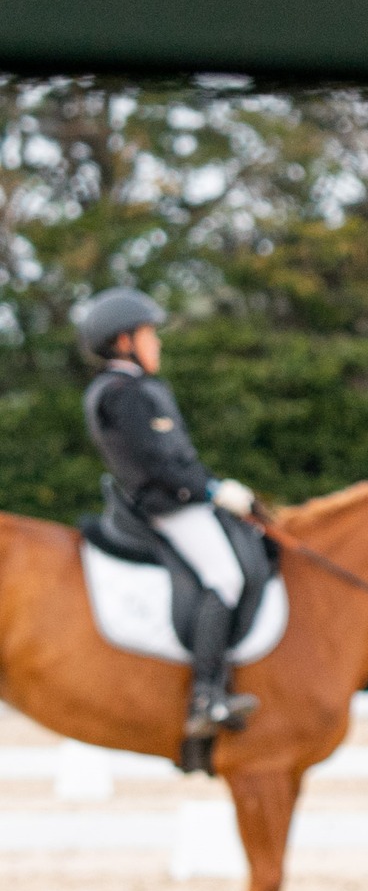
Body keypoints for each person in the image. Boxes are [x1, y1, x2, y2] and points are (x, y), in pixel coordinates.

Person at [77, 288, 260, 738]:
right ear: (124, 342)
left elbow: (178, 456)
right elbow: (156, 465)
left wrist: (215, 486)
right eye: (149, 335)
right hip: (170, 508)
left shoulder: (139, 389)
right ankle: (206, 696)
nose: (156, 343)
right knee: (226, 577)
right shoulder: (121, 393)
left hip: (183, 499)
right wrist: (212, 490)